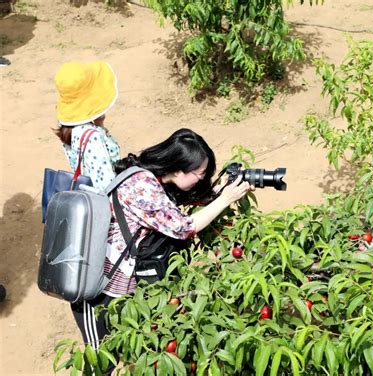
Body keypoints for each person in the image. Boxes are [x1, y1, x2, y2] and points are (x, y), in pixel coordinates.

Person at [71, 128, 252, 373]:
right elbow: (184, 227)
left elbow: (172, 208)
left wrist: (218, 191)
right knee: (99, 364)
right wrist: (224, 200)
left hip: (121, 290)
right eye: (199, 174)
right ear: (178, 168)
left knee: (128, 351)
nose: (201, 179)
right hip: (97, 291)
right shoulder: (142, 186)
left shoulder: (153, 178)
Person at [53, 60, 121, 191]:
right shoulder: (92, 137)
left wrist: (100, 124)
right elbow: (106, 185)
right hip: (103, 202)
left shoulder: (69, 129)